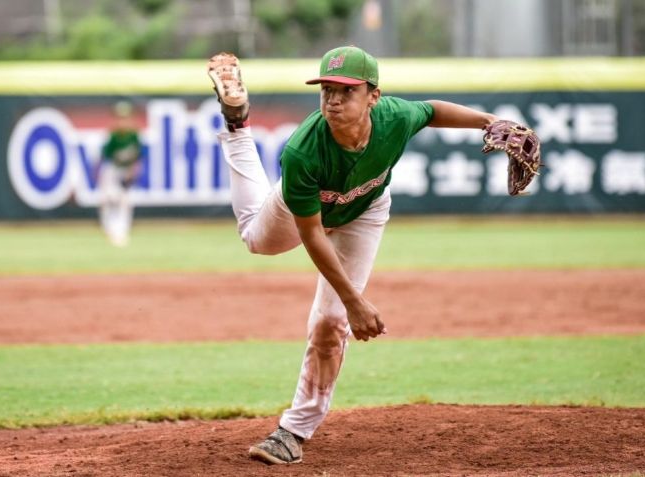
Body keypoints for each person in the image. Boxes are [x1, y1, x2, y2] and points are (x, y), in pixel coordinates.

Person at [207, 46, 499, 465]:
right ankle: (237, 125)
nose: (334, 100)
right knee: (257, 239)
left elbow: (432, 110)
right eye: (327, 89)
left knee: (329, 324)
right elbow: (312, 233)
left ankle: (293, 431)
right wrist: (355, 300)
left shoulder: (394, 117)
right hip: (304, 209)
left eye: (346, 90)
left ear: (373, 97)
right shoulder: (303, 151)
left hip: (365, 209)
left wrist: (490, 121)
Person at [98, 101, 142, 247]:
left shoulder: (134, 135)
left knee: (125, 202)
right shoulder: (114, 136)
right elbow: (106, 159)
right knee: (108, 199)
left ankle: (122, 232)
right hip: (112, 171)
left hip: (126, 171)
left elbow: (138, 157)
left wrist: (132, 172)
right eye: (120, 118)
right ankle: (108, 229)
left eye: (125, 117)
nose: (123, 121)